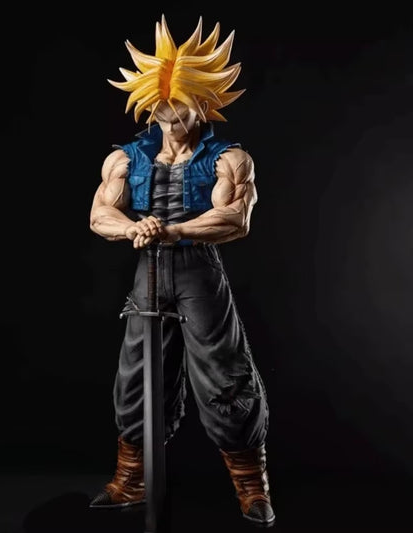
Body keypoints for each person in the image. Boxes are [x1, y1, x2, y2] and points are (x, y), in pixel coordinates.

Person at [88, 14, 276, 527]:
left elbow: (234, 219)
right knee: (135, 374)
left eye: (181, 113)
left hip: (197, 271)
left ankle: (251, 486)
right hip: (147, 270)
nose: (170, 124)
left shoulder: (230, 159)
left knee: (223, 372)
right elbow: (99, 215)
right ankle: (131, 479)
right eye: (161, 113)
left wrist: (172, 230)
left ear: (204, 105)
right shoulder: (126, 158)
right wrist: (135, 228)